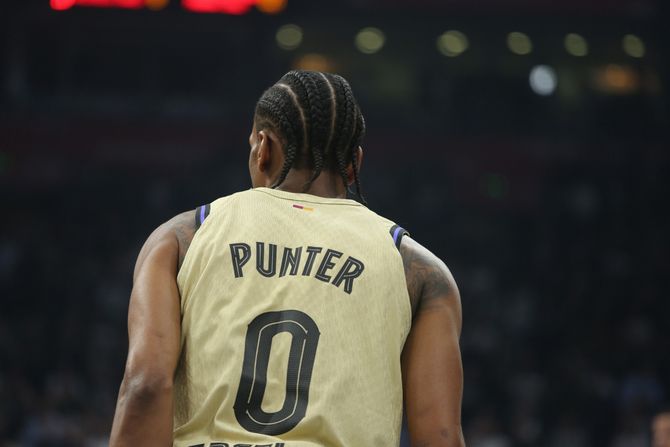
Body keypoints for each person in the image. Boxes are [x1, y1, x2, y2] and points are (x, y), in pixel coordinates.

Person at [109, 70, 465, 447]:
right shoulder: (421, 270)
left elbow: (146, 384)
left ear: (262, 148)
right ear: (354, 163)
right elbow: (440, 437)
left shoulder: (180, 238)